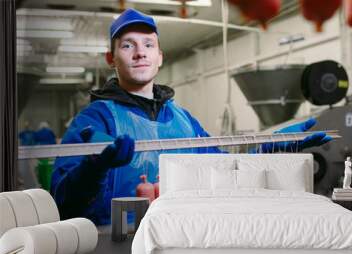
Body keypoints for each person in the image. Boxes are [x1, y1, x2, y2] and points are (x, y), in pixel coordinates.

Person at [51, 9, 331, 225]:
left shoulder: (183, 120)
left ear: (159, 57)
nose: (139, 54)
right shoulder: (96, 119)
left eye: (148, 45)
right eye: (127, 46)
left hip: (180, 237)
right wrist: (93, 168)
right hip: (113, 244)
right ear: (110, 58)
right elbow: (61, 204)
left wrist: (268, 149)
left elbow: (223, 169)